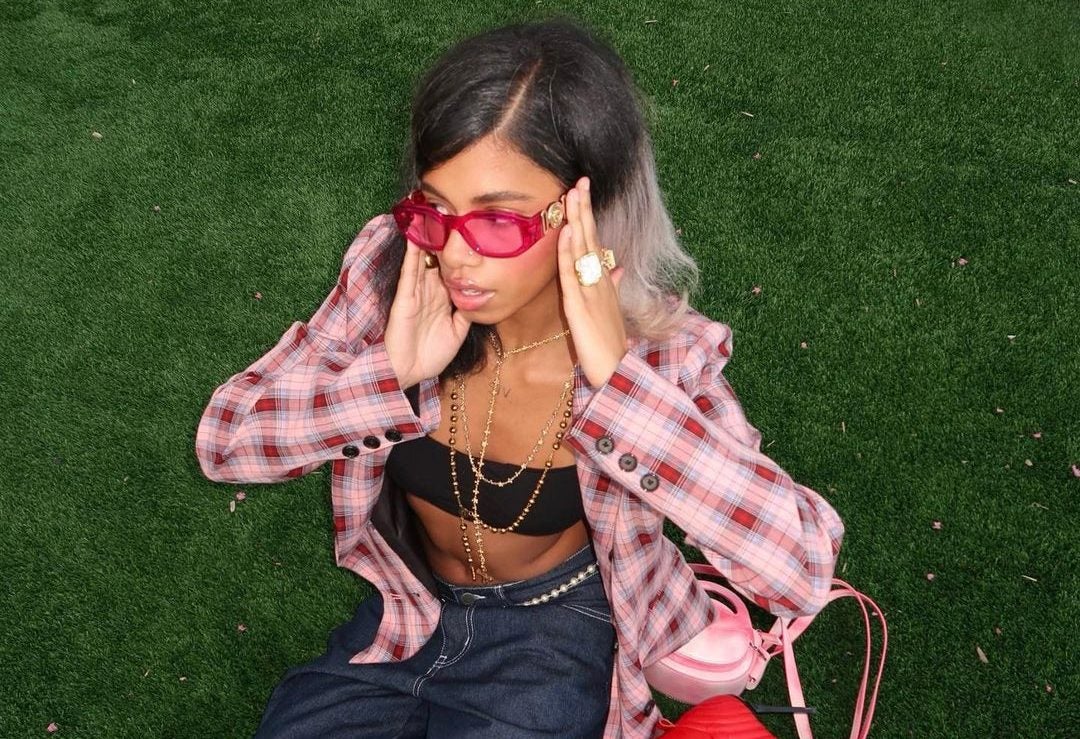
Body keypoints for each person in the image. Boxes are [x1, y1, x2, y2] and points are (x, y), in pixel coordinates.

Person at [194, 17, 844, 739]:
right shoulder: (398, 272)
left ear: (586, 210)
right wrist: (388, 373)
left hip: (558, 628)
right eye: (436, 209)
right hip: (408, 605)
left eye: (498, 222)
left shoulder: (664, 353)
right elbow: (226, 443)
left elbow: (803, 567)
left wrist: (621, 386)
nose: (456, 257)